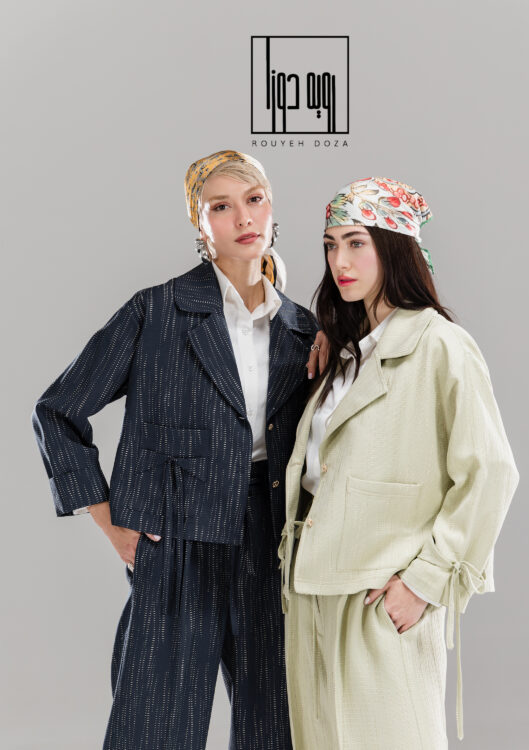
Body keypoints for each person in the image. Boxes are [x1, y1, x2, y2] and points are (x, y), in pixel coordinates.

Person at [31, 149, 328, 750]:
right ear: (200, 222)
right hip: (175, 538)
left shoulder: (304, 330)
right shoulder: (156, 311)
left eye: (254, 200)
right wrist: (108, 520)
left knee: (276, 724)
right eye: (220, 206)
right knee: (155, 724)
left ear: (272, 209)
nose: (242, 217)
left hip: (273, 539)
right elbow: (57, 410)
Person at [278, 176, 520, 748]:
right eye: (331, 244)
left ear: (394, 246)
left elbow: (490, 471)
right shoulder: (345, 351)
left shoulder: (441, 345)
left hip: (379, 595)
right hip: (311, 589)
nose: (339, 261)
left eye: (356, 242)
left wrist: (426, 582)